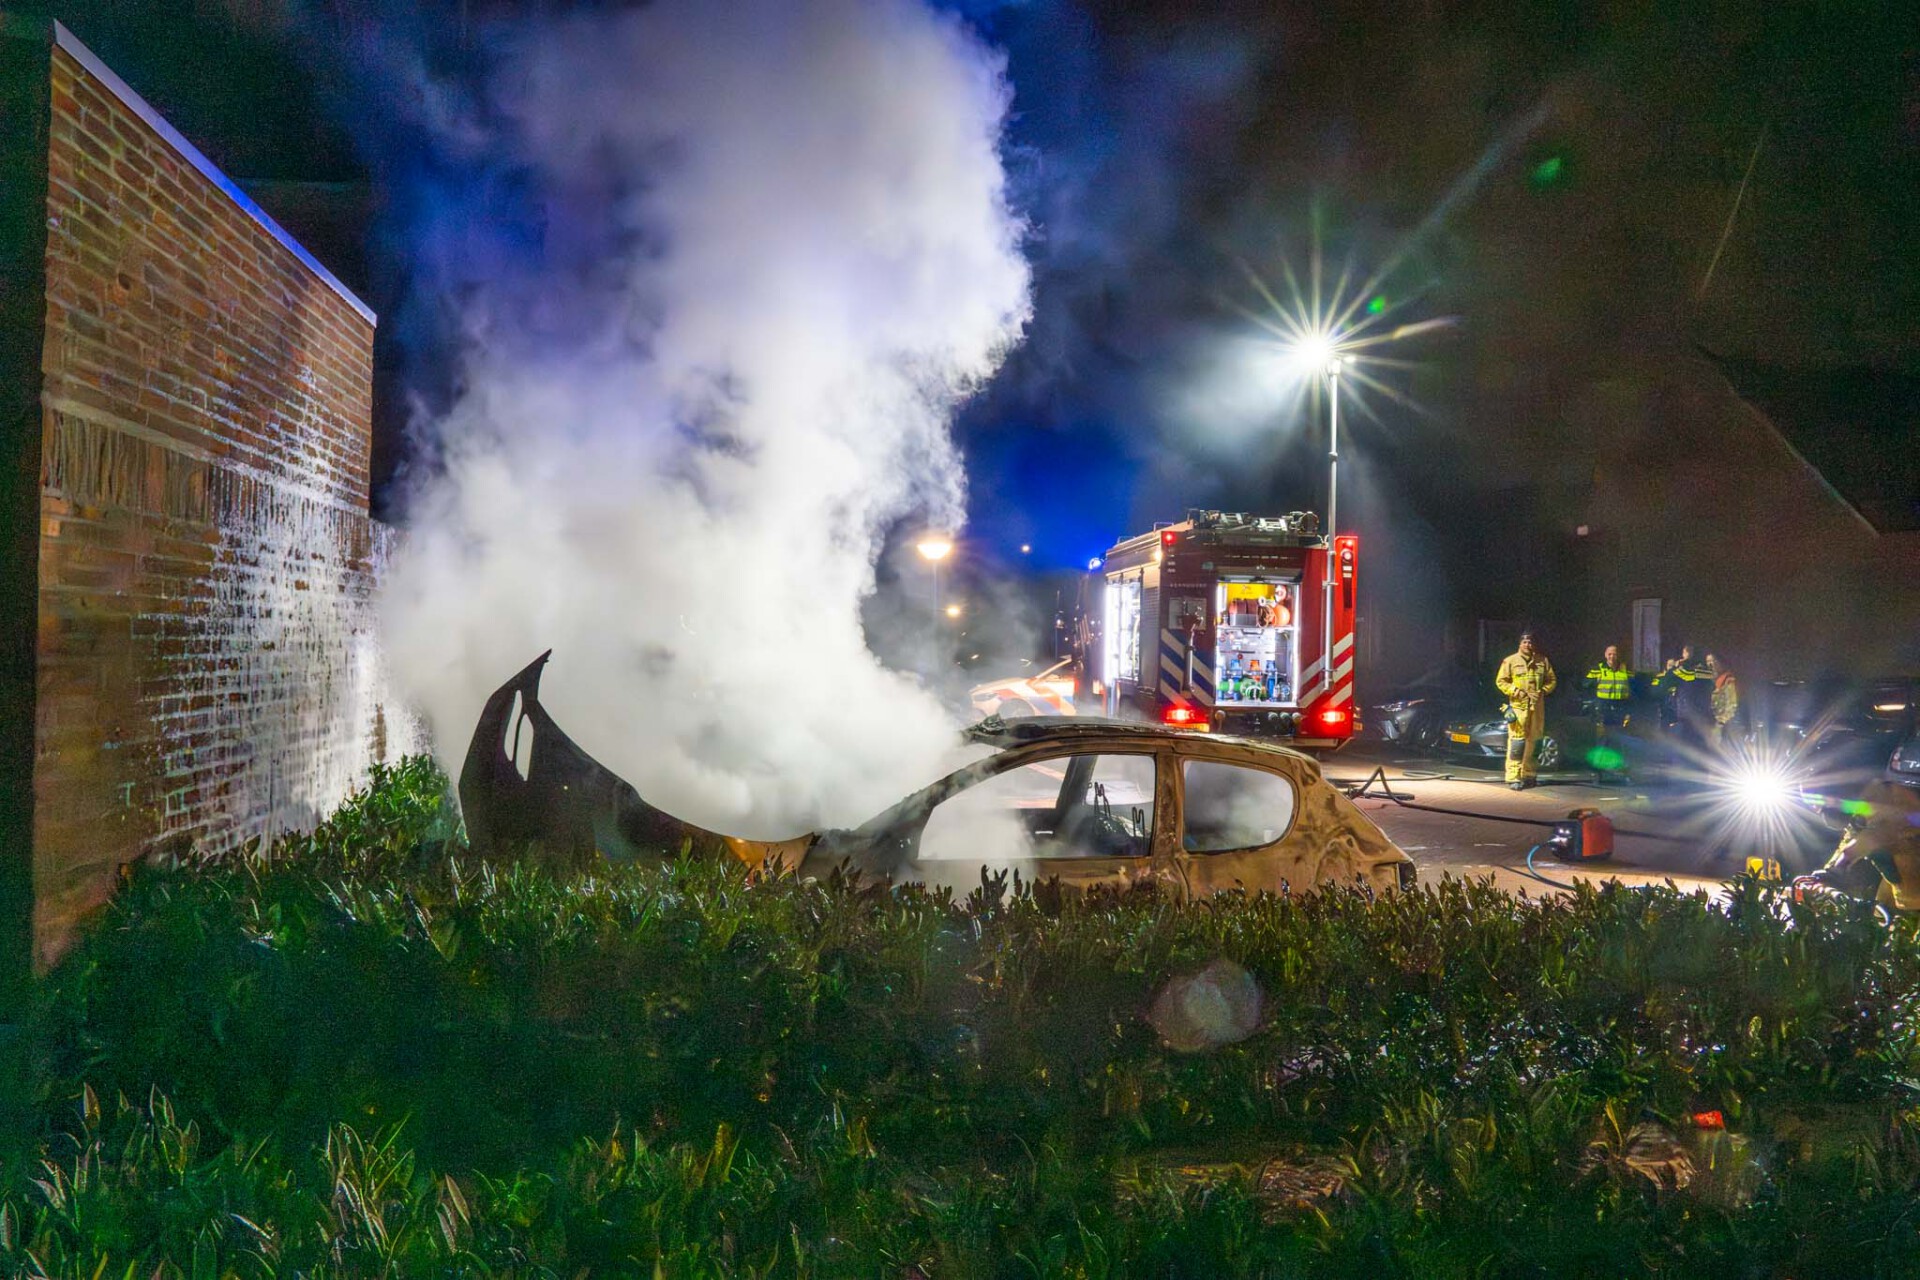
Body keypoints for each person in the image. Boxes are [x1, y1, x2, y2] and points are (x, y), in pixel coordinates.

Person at [1495, 631, 1557, 790]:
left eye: (1530, 642)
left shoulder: (1543, 661)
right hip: (1519, 707)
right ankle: (1514, 777)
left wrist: (1542, 691)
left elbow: (1552, 680)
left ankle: (1529, 774)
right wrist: (1516, 691)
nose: (1528, 645)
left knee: (1535, 742)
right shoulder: (1510, 661)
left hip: (1537, 708)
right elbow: (1501, 681)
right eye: (1525, 642)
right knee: (1517, 742)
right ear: (1520, 644)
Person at [1584, 643, 1633, 782]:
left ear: (1618, 655)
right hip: (1603, 709)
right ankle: (1597, 773)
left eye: (1614, 654)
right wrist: (1593, 682)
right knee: (1602, 741)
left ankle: (1622, 772)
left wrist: (1629, 712)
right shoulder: (1598, 669)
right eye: (1610, 654)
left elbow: (1633, 690)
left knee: (1620, 741)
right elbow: (1584, 684)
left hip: (1620, 708)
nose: (1612, 656)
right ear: (1605, 655)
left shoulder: (1626, 669)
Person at [1705, 652, 1740, 751]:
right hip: (1708, 721)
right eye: (1708, 661)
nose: (1710, 664)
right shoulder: (1708, 679)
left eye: (1713, 661)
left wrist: (1721, 722)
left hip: (1721, 723)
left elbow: (1731, 703)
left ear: (1720, 663)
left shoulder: (1727, 679)